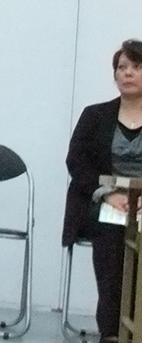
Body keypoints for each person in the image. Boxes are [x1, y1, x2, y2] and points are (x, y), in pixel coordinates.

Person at [63, 39, 142, 342]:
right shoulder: (95, 115)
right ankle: (111, 331)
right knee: (111, 230)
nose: (128, 73)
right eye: (122, 67)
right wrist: (108, 194)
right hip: (103, 200)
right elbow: (76, 161)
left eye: (136, 67)